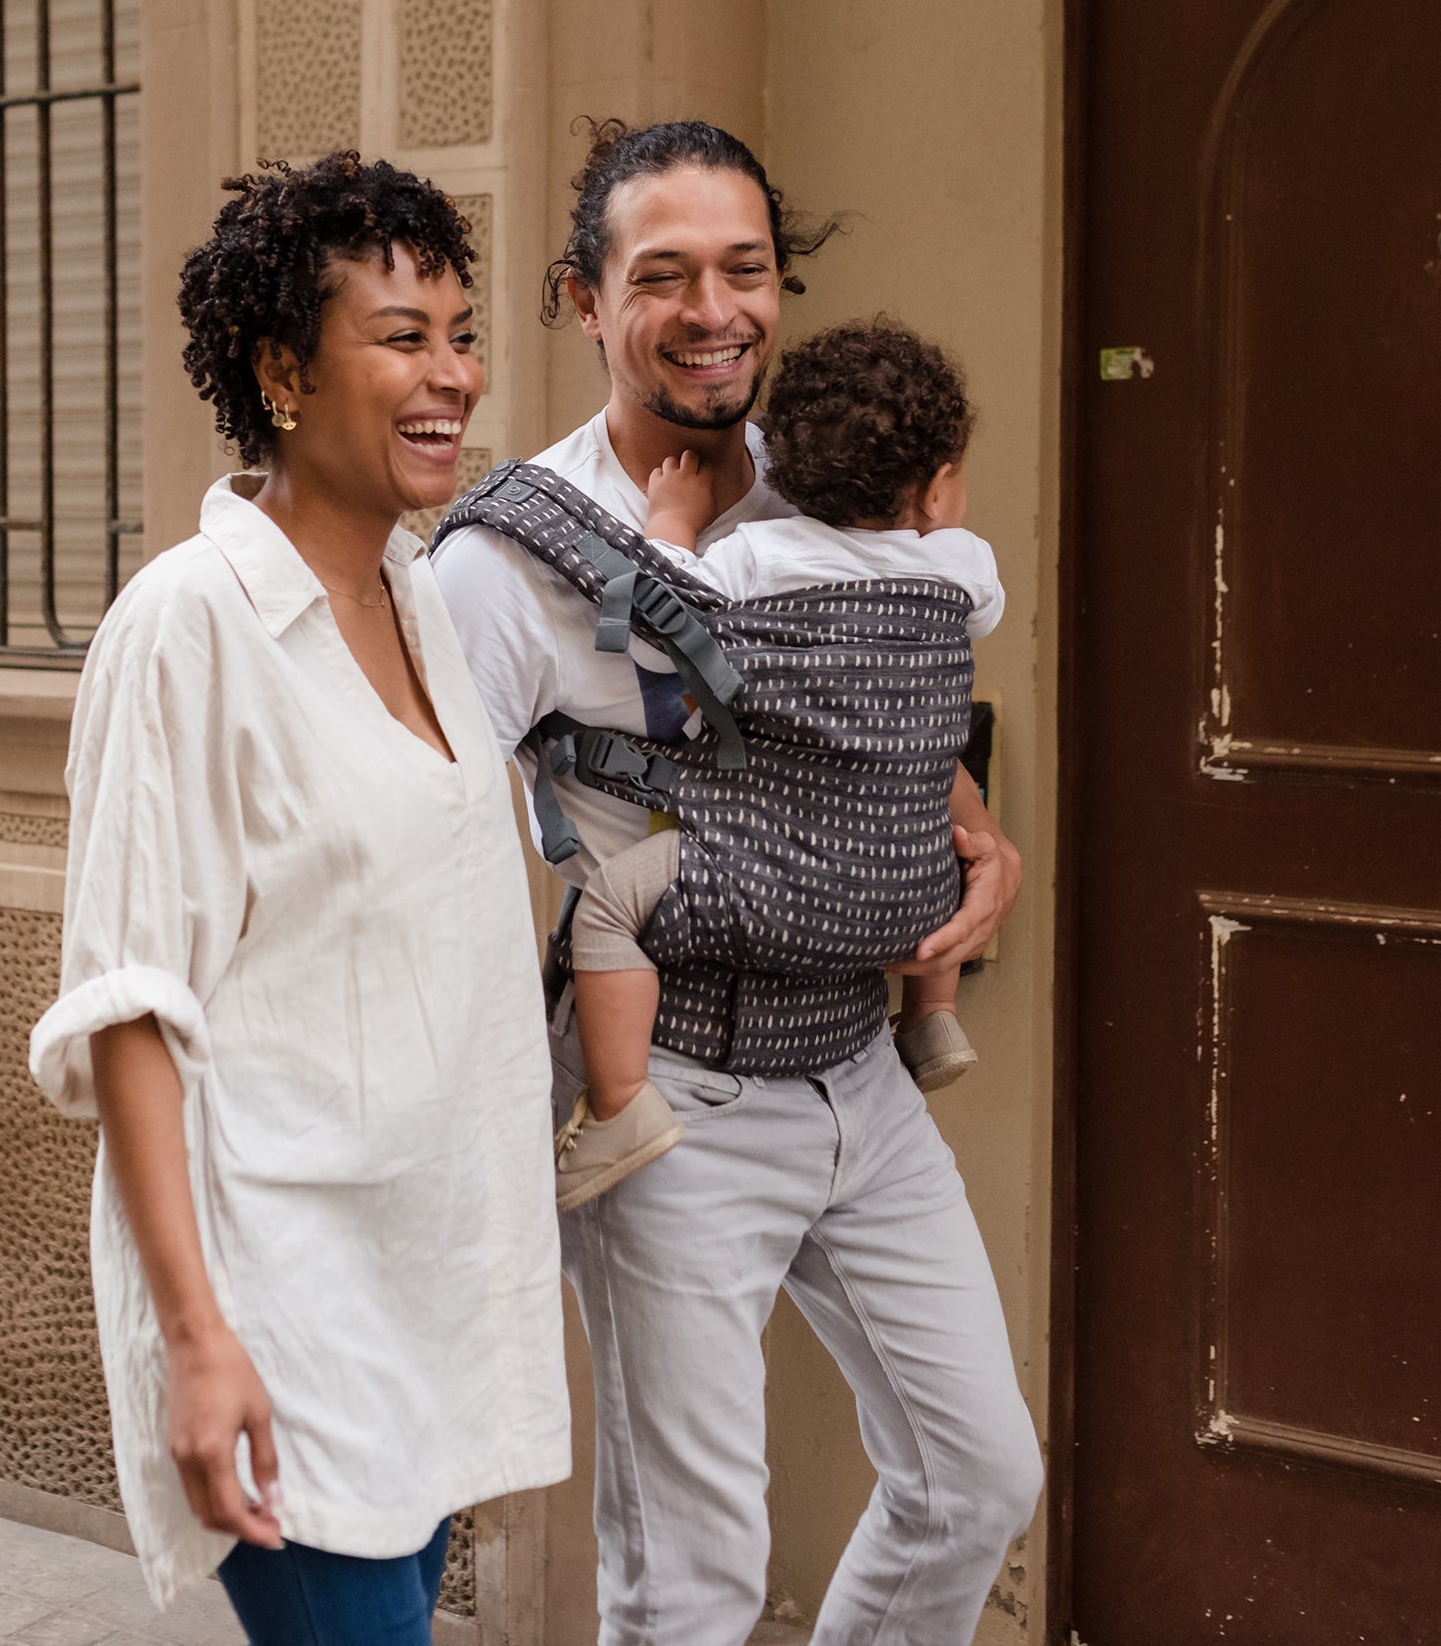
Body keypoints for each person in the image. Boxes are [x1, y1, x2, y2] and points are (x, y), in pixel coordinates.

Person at [431, 120, 1041, 1646]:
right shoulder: (508, 566)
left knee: (978, 1472)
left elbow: (885, 713)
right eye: (665, 274)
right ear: (583, 300)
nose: (717, 309)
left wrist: (976, 830)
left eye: (747, 268)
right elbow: (423, 832)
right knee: (693, 1579)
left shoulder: (833, 480)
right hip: (676, 1097)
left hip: (858, 1068)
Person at [29, 153, 567, 1643]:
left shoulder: (420, 597)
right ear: (282, 367)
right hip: (283, 1297)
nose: (451, 372)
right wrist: (199, 1340)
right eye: (402, 336)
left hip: (423, 1281)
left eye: (461, 333)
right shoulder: (189, 625)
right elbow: (129, 999)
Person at [553, 317, 1006, 1206]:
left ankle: (618, 1105)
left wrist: (670, 523)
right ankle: (934, 1018)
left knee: (604, 909)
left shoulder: (756, 556)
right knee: (946, 828)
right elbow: (975, 615)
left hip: (764, 879)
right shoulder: (961, 567)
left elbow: (653, 632)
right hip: (911, 897)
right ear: (940, 488)